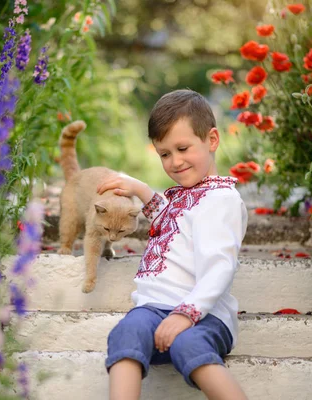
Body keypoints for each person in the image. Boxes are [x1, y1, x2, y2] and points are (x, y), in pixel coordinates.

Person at [97, 89, 248, 400]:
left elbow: (221, 266)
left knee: (187, 344)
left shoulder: (221, 200)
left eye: (182, 148)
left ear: (212, 140)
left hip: (204, 316)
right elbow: (167, 218)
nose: (175, 162)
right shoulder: (186, 197)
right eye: (165, 154)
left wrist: (186, 313)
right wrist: (139, 187)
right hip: (153, 310)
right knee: (126, 331)